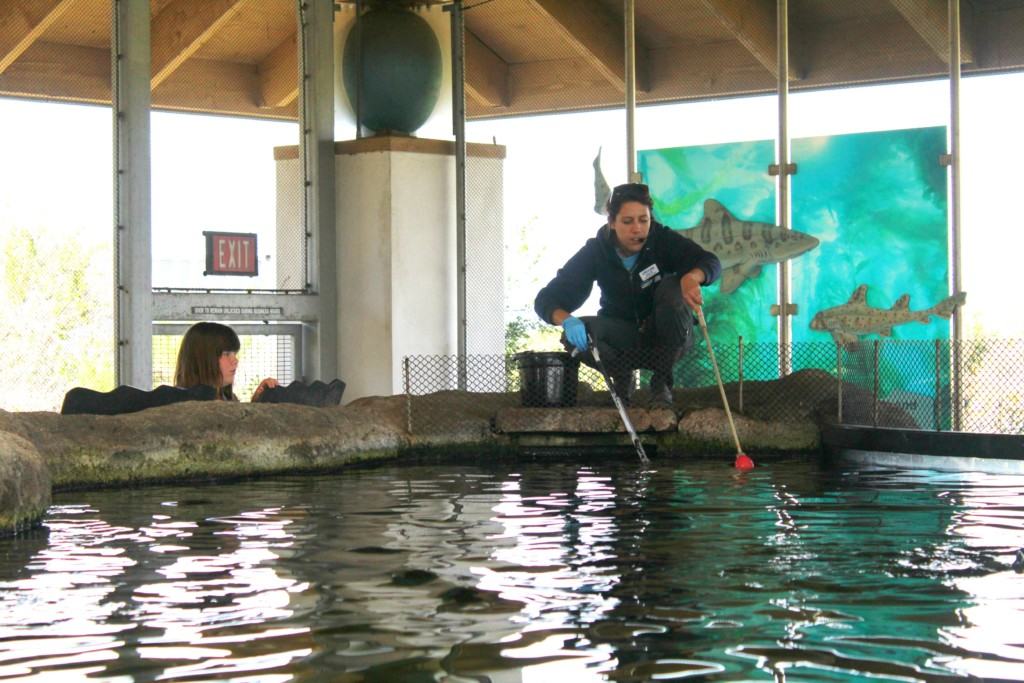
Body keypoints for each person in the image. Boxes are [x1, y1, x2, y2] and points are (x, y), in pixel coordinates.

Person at [534, 182, 722, 406]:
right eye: (627, 221)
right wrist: (566, 320)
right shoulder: (596, 251)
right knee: (576, 336)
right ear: (612, 222)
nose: (637, 229)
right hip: (622, 336)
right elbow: (546, 299)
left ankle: (662, 383)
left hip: (666, 336)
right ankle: (622, 378)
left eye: (644, 220)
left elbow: (710, 262)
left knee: (673, 287)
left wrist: (692, 278)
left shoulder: (662, 240)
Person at [173, 322, 277, 402]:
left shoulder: (228, 398)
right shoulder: (177, 405)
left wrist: (258, 403)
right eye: (226, 354)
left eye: (234, 354)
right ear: (203, 358)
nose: (235, 360)